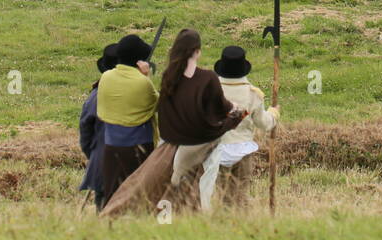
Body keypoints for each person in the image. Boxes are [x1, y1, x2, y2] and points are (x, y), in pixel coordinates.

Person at [157, 28, 246, 210]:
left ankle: (167, 221)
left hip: (170, 143)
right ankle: (197, 220)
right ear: (197, 51)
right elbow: (221, 108)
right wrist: (236, 109)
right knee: (202, 189)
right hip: (199, 143)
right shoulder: (207, 78)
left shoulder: (168, 76)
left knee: (169, 193)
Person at [202, 46, 278, 211]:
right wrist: (274, 114)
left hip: (217, 149)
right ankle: (241, 225)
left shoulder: (210, 91)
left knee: (221, 193)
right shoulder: (253, 94)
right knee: (241, 193)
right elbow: (264, 124)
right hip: (242, 149)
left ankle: (222, 224)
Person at [96, 34, 158, 201]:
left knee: (112, 194)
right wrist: (146, 77)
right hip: (137, 147)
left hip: (110, 145)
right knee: (139, 194)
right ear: (139, 61)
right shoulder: (142, 82)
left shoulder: (106, 77)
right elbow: (157, 104)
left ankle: (109, 223)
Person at [79, 44, 118, 210]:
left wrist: (95, 154)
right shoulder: (139, 89)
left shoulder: (95, 96)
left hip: (101, 165)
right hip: (133, 168)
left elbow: (85, 134)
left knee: (103, 215)